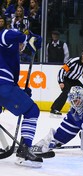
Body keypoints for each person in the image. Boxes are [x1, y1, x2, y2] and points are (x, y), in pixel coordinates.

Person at [0, 15, 43, 167]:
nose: (22, 48)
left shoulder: (9, 54)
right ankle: (25, 150)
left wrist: (20, 92)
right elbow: (7, 34)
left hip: (4, 86)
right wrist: (27, 38)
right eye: (22, 45)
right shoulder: (6, 39)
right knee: (32, 110)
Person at [50, 46, 83, 116]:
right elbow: (62, 70)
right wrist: (61, 82)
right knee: (66, 92)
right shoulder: (74, 60)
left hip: (75, 80)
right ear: (82, 54)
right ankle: (54, 109)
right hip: (66, 79)